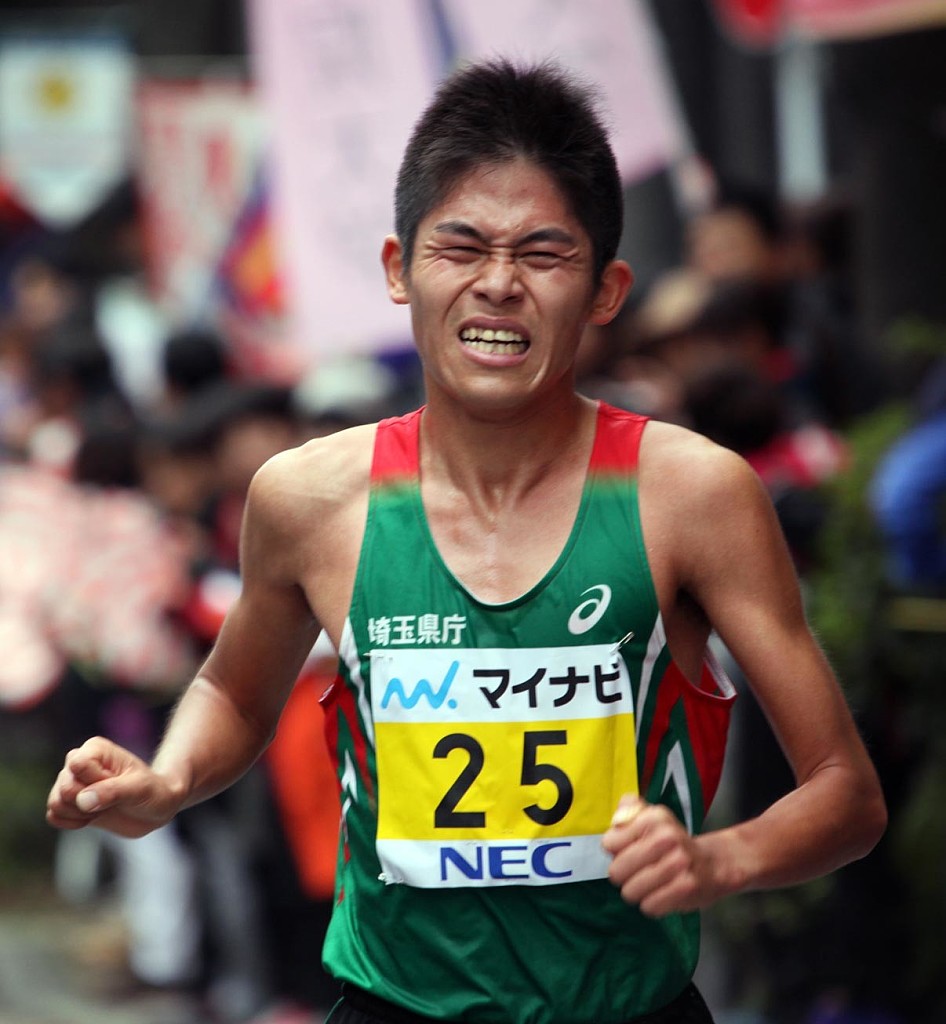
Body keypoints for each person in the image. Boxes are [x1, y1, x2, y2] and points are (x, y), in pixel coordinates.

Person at [47, 59, 886, 1024]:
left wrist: (719, 859)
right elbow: (236, 691)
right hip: (390, 1007)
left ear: (606, 290)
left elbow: (846, 793)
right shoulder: (309, 498)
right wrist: (168, 779)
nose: (498, 285)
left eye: (543, 254)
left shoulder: (692, 494)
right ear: (398, 268)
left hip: (627, 1009)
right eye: (463, 247)